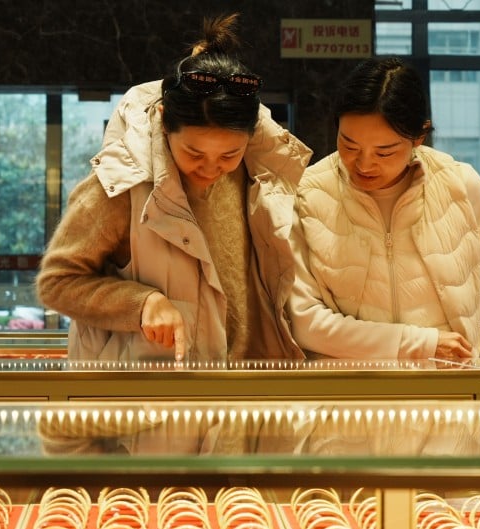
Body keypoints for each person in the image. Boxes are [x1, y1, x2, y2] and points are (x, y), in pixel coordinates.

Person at [36, 14, 311, 364]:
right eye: (194, 153)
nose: (211, 168)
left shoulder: (267, 174)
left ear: (252, 133)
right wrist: (141, 303)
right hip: (151, 397)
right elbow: (57, 283)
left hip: (249, 387)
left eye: (229, 154)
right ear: (165, 121)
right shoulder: (121, 185)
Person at [288, 57, 480, 366]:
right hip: (347, 404)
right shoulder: (308, 193)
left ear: (419, 136)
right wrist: (418, 343)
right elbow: (305, 322)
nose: (364, 164)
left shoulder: (460, 185)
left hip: (451, 402)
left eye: (385, 151)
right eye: (349, 145)